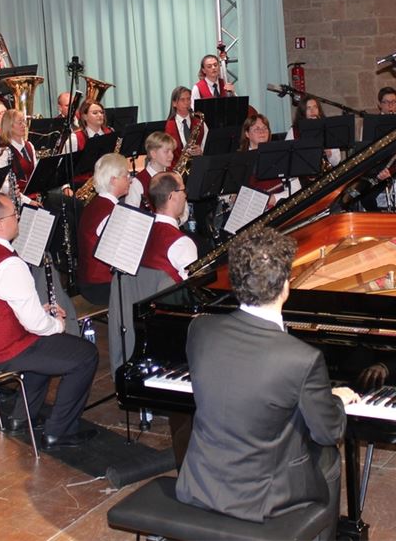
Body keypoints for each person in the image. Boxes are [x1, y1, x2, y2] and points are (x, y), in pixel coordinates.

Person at [175, 227, 357, 531]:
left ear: (234, 281)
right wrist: (334, 399)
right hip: (263, 500)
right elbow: (328, 432)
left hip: (201, 483)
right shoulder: (302, 357)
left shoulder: (200, 329)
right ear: (285, 286)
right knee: (328, 458)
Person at [0, 192, 98, 449]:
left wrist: (39, 312)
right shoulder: (9, 264)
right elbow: (37, 325)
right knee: (85, 355)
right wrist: (57, 323)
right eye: (15, 214)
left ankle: (21, 417)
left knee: (44, 347)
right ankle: (59, 432)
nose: (19, 218)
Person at [76, 153, 131, 305]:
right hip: (102, 286)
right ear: (113, 180)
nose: (130, 179)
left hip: (88, 280)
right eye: (126, 176)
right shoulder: (112, 212)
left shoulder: (94, 204)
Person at [140, 172, 198, 282]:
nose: (185, 195)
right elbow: (193, 284)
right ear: (172, 196)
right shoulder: (182, 243)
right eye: (183, 190)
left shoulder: (141, 232)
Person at [240, 114, 300, 205]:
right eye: (257, 129)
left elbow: (296, 189)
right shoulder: (239, 159)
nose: (262, 132)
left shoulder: (282, 155)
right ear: (247, 134)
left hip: (278, 208)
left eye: (265, 128)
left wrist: (275, 198)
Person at [286, 96, 340, 167]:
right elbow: (287, 158)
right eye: (308, 108)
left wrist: (329, 153)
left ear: (319, 110)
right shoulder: (294, 131)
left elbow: (336, 162)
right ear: (303, 112)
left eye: (315, 107)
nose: (313, 111)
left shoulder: (328, 129)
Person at [126, 131, 174, 210]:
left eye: (172, 151)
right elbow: (130, 212)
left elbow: (183, 208)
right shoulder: (137, 182)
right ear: (153, 154)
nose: (171, 155)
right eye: (166, 152)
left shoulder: (174, 176)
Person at [164, 86, 205, 168]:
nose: (187, 103)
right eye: (182, 100)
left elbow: (207, 146)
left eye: (188, 99)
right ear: (174, 103)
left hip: (197, 167)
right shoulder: (169, 125)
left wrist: (201, 151)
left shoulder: (199, 122)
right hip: (175, 169)